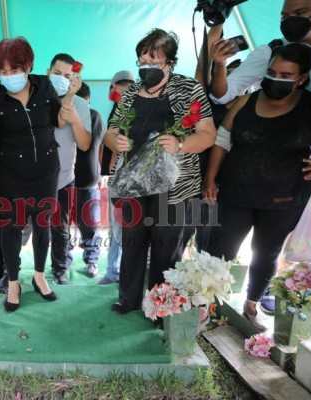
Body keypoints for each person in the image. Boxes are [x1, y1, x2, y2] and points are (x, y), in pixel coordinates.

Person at [209, 0, 311, 313]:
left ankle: (305, 310)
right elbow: (224, 98)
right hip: (240, 184)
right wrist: (218, 65)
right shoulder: (266, 54)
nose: (290, 21)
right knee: (222, 246)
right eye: (284, 15)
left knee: (284, 250)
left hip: (302, 179)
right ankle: (212, 304)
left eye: (299, 14)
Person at [104, 29, 216, 315]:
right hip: (133, 183)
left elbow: (207, 134)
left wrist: (181, 144)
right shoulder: (128, 94)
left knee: (166, 246)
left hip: (173, 184)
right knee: (132, 241)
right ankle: (128, 300)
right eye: (142, 59)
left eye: (153, 60)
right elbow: (111, 130)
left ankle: (161, 305)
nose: (146, 65)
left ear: (170, 62)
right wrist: (114, 140)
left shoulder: (188, 88)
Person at [0, 37, 69, 311]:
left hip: (46, 171)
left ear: (29, 66)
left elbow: (58, 120)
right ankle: (14, 282)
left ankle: (40, 277)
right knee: (11, 230)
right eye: (3, 72)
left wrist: (69, 96)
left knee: (43, 225)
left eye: (14, 70)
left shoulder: (44, 87)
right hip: (11, 176)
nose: (9, 77)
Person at [47, 53, 92, 285]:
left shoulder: (81, 105)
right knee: (20, 227)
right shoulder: (36, 99)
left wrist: (74, 119)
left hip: (64, 177)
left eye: (67, 76)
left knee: (60, 227)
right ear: (48, 73)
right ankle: (9, 273)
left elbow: (84, 144)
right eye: (57, 74)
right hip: (31, 177)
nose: (62, 79)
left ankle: (59, 269)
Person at [97, 70, 135, 285]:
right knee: (117, 227)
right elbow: (111, 148)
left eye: (128, 85)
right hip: (119, 177)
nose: (123, 89)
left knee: (134, 227)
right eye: (120, 85)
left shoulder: (142, 109)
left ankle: (128, 273)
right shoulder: (115, 112)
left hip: (140, 180)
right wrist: (110, 176)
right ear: (113, 87)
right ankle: (113, 272)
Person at [71, 82, 106, 278]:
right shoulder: (64, 116)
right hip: (65, 181)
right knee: (61, 226)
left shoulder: (95, 117)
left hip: (88, 181)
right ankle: (63, 261)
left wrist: (101, 174)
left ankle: (92, 261)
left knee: (90, 226)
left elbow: (100, 146)